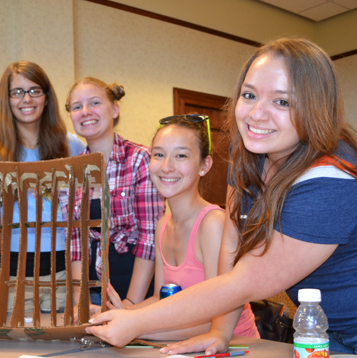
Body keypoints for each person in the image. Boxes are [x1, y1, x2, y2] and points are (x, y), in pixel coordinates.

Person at [87, 38, 357, 358]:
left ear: (315, 107)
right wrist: (220, 331)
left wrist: (136, 321)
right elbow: (232, 249)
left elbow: (246, 281)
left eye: (282, 102)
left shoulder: (335, 179)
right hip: (321, 325)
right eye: (249, 95)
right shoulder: (246, 151)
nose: (256, 114)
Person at [106, 115, 259, 341]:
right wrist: (119, 314)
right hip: (183, 349)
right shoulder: (162, 225)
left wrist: (137, 327)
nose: (167, 167)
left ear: (204, 165)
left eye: (181, 156)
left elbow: (213, 316)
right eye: (159, 154)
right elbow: (161, 299)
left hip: (237, 350)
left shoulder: (213, 224)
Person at [0, 61, 86, 314]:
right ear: (6, 99)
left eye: (34, 90)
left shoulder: (71, 146)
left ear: (46, 97)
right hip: (12, 272)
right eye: (17, 92)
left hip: (64, 269)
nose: (26, 99)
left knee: (66, 348)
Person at [64, 78, 165, 315]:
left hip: (138, 291)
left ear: (115, 109)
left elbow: (149, 237)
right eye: (77, 107)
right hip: (94, 292)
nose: (85, 112)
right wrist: (81, 301)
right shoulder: (72, 171)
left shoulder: (141, 159)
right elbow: (76, 243)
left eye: (95, 103)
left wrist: (130, 304)